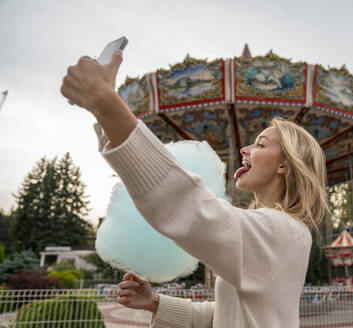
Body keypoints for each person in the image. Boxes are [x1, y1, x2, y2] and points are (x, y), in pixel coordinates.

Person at [61, 50, 328, 328]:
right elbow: (225, 314)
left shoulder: (282, 231)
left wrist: (106, 104)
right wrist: (154, 303)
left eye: (260, 144)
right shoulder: (272, 233)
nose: (245, 149)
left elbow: (188, 206)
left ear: (284, 166)